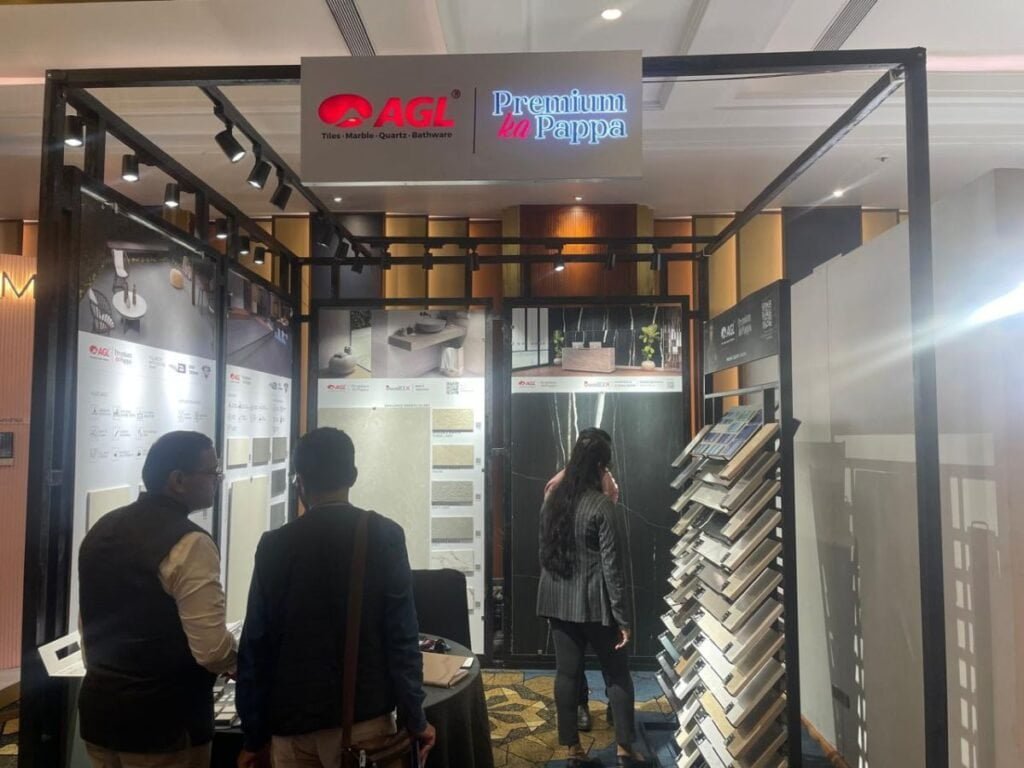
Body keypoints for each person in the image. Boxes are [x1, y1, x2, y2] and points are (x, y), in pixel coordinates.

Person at [235, 427, 436, 768]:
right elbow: (401, 638)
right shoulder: (384, 535)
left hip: (291, 726)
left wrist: (254, 737)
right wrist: (416, 718)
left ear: (299, 482)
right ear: (353, 476)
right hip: (363, 722)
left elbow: (255, 646)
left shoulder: (274, 545)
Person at [78, 430, 236, 768]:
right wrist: (240, 662)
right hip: (164, 725)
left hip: (99, 713)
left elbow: (89, 626)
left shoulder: (102, 528)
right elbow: (211, 650)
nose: (217, 480)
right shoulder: (191, 543)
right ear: (178, 480)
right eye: (212, 472)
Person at [537, 432, 649, 767]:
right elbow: (612, 568)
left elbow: (545, 551)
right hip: (596, 607)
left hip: (557, 602)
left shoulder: (552, 498)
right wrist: (623, 619)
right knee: (617, 675)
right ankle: (624, 749)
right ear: (601, 466)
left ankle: (572, 749)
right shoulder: (602, 506)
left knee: (566, 675)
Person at [543, 426, 619, 732]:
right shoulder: (559, 486)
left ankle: (608, 706)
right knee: (576, 662)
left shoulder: (604, 482)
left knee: (580, 662)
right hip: (572, 582)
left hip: (587, 582)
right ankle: (583, 705)